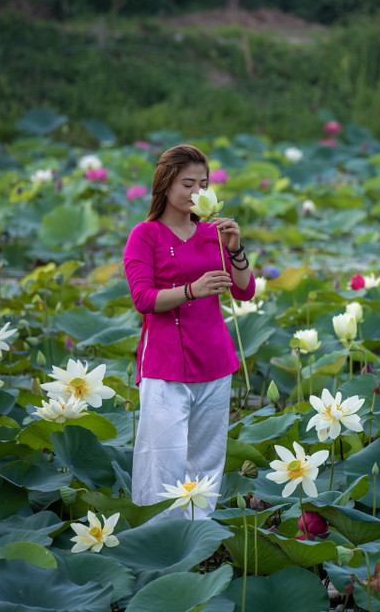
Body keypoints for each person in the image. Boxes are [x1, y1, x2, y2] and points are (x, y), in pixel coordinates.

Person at [123, 144, 255, 519]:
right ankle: (156, 545)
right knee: (160, 463)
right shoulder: (145, 235)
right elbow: (143, 298)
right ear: (165, 184)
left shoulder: (213, 234)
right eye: (187, 184)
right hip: (164, 365)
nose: (197, 192)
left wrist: (236, 249)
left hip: (215, 361)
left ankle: (196, 544)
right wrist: (191, 290)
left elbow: (245, 290)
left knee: (206, 464)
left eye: (204, 183)